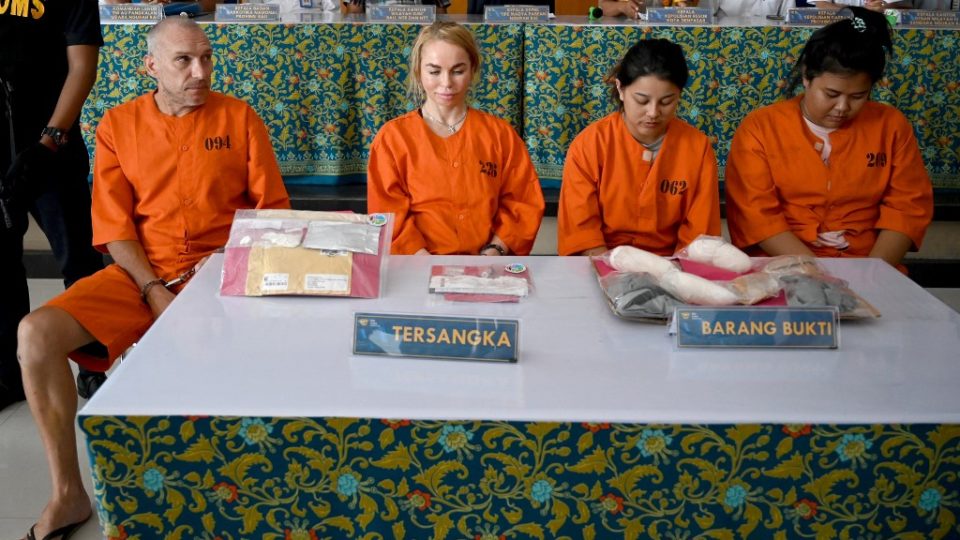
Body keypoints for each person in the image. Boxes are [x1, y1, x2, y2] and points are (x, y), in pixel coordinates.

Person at [15, 18, 290, 539]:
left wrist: (226, 264)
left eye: (206, 58)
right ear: (152, 67)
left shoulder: (239, 117)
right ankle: (68, 494)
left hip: (222, 270)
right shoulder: (118, 125)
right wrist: (152, 289)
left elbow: (272, 211)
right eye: (184, 61)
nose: (200, 72)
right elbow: (115, 229)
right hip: (141, 275)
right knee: (35, 334)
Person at [724, 7, 933, 269]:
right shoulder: (761, 128)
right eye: (831, 94)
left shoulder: (891, 126)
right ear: (806, 78)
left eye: (858, 96)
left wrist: (873, 273)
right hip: (784, 265)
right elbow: (756, 215)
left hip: (871, 264)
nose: (842, 107)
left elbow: (907, 208)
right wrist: (819, 274)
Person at [0, 0, 106, 412]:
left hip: (51, 148)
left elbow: (82, 68)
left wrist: (49, 142)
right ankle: (9, 375)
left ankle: (93, 365)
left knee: (78, 260)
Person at [367, 21, 545, 256]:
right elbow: (388, 212)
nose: (446, 83)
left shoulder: (499, 135)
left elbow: (523, 202)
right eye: (434, 71)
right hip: (415, 269)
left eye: (457, 71)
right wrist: (423, 263)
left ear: (473, 70)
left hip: (487, 268)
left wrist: (495, 250)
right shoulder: (393, 138)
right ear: (418, 72)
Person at [557, 39, 721, 257]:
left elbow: (699, 239)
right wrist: (617, 278)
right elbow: (581, 233)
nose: (653, 113)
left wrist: (671, 278)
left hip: (672, 270)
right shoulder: (589, 145)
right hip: (600, 264)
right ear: (621, 89)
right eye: (642, 101)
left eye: (666, 101)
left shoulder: (697, 148)